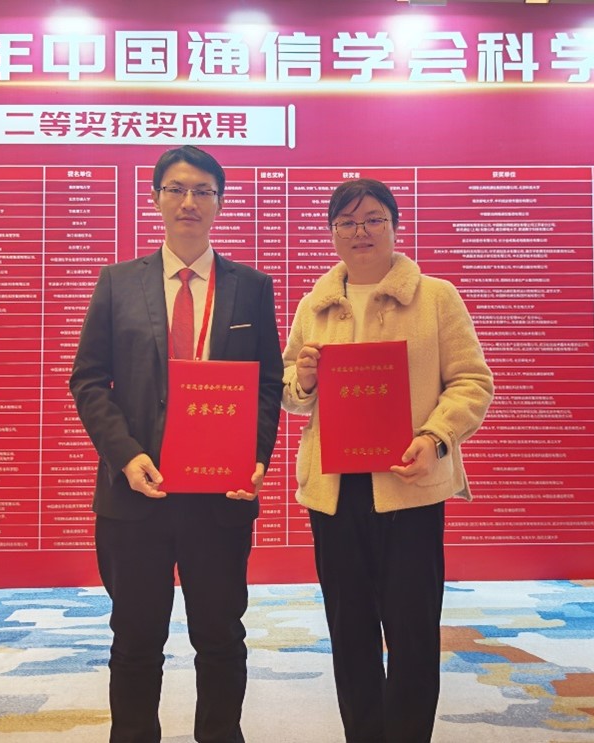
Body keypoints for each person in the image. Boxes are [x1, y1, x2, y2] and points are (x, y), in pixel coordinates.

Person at [70, 145, 283, 743]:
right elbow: (88, 380)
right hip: (136, 495)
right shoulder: (118, 283)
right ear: (157, 198)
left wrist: (256, 458)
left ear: (220, 202)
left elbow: (268, 384)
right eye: (176, 189)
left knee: (221, 638)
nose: (189, 201)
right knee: (136, 640)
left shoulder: (251, 288)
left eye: (203, 191)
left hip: (219, 497)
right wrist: (126, 454)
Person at [282, 178, 494, 742]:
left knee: (412, 631)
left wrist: (435, 437)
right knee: (349, 630)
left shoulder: (437, 298)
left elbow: (472, 382)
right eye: (347, 222)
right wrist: (303, 379)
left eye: (374, 219)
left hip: (409, 485)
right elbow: (289, 389)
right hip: (334, 491)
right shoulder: (314, 305)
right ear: (333, 233)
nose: (362, 232)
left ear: (395, 226)